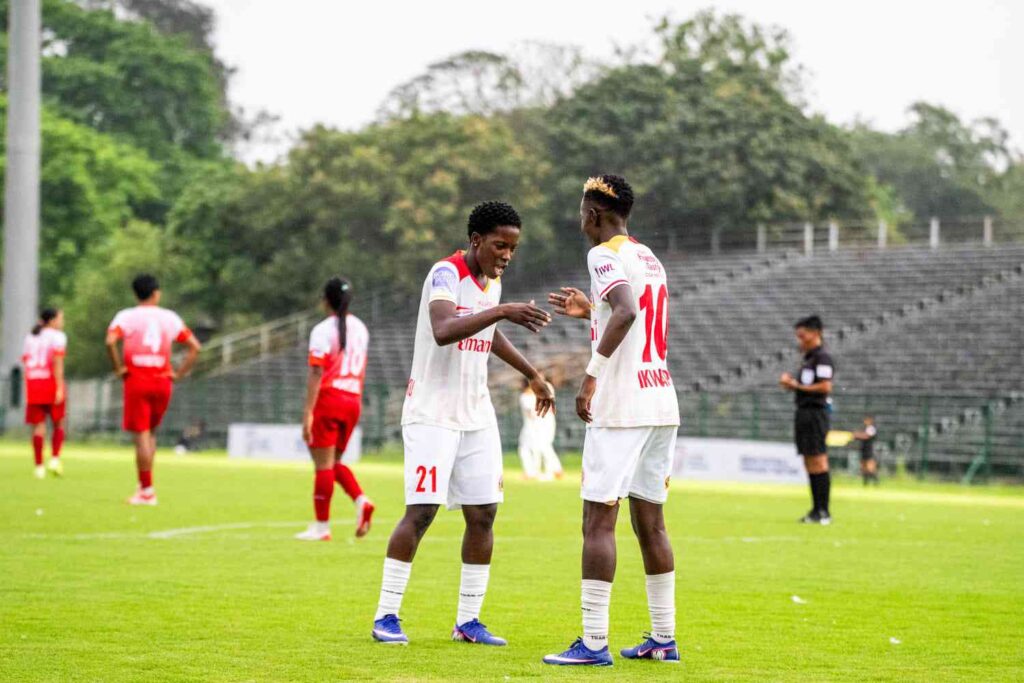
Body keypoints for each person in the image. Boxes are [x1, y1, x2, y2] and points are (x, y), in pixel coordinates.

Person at [371, 201, 554, 647]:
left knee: (484, 513)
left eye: (512, 247)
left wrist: (532, 373)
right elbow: (443, 328)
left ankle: (468, 621)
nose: (506, 255)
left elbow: (488, 332)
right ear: (476, 240)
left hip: (475, 413)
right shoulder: (445, 273)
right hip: (433, 412)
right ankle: (386, 615)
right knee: (422, 512)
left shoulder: (492, 283)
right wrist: (501, 310)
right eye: (499, 245)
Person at [543, 175, 682, 667]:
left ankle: (594, 643)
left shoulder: (602, 255)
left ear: (596, 215)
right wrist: (591, 313)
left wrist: (590, 377)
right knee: (652, 524)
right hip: (661, 400)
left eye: (583, 212)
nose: (580, 221)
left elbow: (625, 311)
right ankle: (664, 639)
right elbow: (629, 315)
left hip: (622, 406)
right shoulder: (648, 257)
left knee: (598, 520)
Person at [105, 274, 201, 506]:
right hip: (162, 380)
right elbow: (195, 347)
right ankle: (145, 486)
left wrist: (119, 368)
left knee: (141, 437)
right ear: (156, 293)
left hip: (137, 379)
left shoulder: (126, 316)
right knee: (152, 434)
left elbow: (110, 341)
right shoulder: (169, 317)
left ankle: (146, 490)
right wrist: (178, 374)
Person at [295, 277, 375, 541]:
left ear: (326, 300)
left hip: (329, 399)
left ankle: (321, 527)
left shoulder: (322, 330)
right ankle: (361, 500)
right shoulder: (362, 328)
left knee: (323, 465)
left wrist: (307, 412)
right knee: (334, 462)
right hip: (353, 400)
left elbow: (316, 371)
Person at [779, 315, 836, 525]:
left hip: (816, 413)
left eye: (802, 336)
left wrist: (795, 386)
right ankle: (816, 510)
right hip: (804, 412)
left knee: (819, 460)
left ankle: (824, 511)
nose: (800, 340)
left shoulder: (822, 358)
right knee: (809, 461)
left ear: (816, 333)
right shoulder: (809, 358)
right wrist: (793, 385)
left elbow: (825, 386)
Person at [22, 308, 67, 478]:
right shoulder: (58, 337)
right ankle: (55, 458)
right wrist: (59, 387)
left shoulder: (30, 337)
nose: (62, 322)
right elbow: (57, 361)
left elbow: (26, 362)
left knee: (38, 426)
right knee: (59, 422)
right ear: (52, 320)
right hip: (50, 381)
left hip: (33, 382)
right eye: (60, 319)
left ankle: (39, 466)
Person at [517, 378, 562, 481]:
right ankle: (543, 470)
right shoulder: (526, 397)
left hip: (542, 425)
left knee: (542, 447)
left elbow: (534, 414)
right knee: (534, 448)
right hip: (534, 425)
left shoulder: (537, 393)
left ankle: (548, 471)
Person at [853, 415, 879, 486]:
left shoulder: (871, 428)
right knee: (863, 467)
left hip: (869, 450)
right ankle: (865, 483)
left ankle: (876, 482)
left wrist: (856, 435)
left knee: (870, 467)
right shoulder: (865, 428)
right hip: (864, 450)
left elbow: (866, 436)